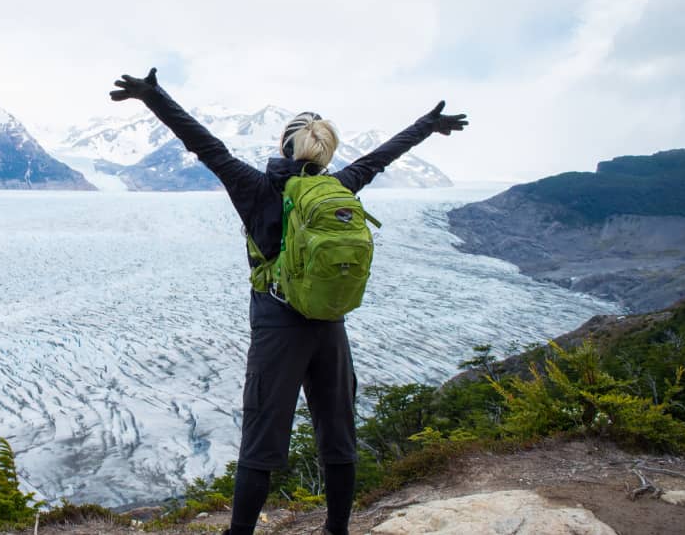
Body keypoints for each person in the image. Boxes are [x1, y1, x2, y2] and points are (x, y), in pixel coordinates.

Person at [109, 68, 468, 535]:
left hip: (278, 330)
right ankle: (336, 530)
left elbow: (204, 144)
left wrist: (153, 96)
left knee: (261, 442)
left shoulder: (254, 187)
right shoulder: (339, 186)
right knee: (338, 439)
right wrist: (427, 124)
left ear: (285, 148)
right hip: (330, 326)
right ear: (324, 151)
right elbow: (382, 157)